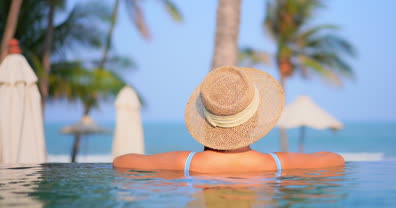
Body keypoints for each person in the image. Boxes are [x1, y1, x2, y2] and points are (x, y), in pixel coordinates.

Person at [113, 66, 344, 174]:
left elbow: (121, 161)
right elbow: (335, 159)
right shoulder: (274, 164)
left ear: (205, 120)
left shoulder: (184, 163)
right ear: (255, 121)